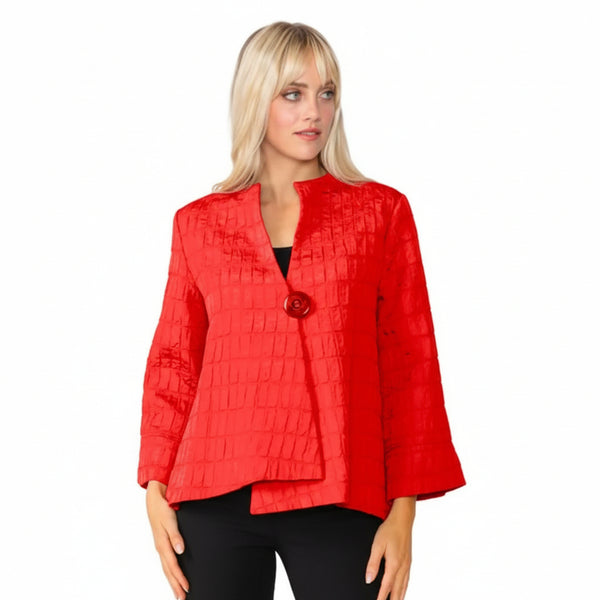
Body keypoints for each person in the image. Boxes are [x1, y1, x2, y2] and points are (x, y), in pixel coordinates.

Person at [137, 21, 466, 600]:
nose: (314, 111)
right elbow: (175, 359)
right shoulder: (199, 224)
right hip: (215, 490)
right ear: (255, 98)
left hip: (342, 486)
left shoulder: (380, 213)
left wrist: (404, 510)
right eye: (293, 93)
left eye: (326, 92)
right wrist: (156, 487)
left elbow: (409, 363)